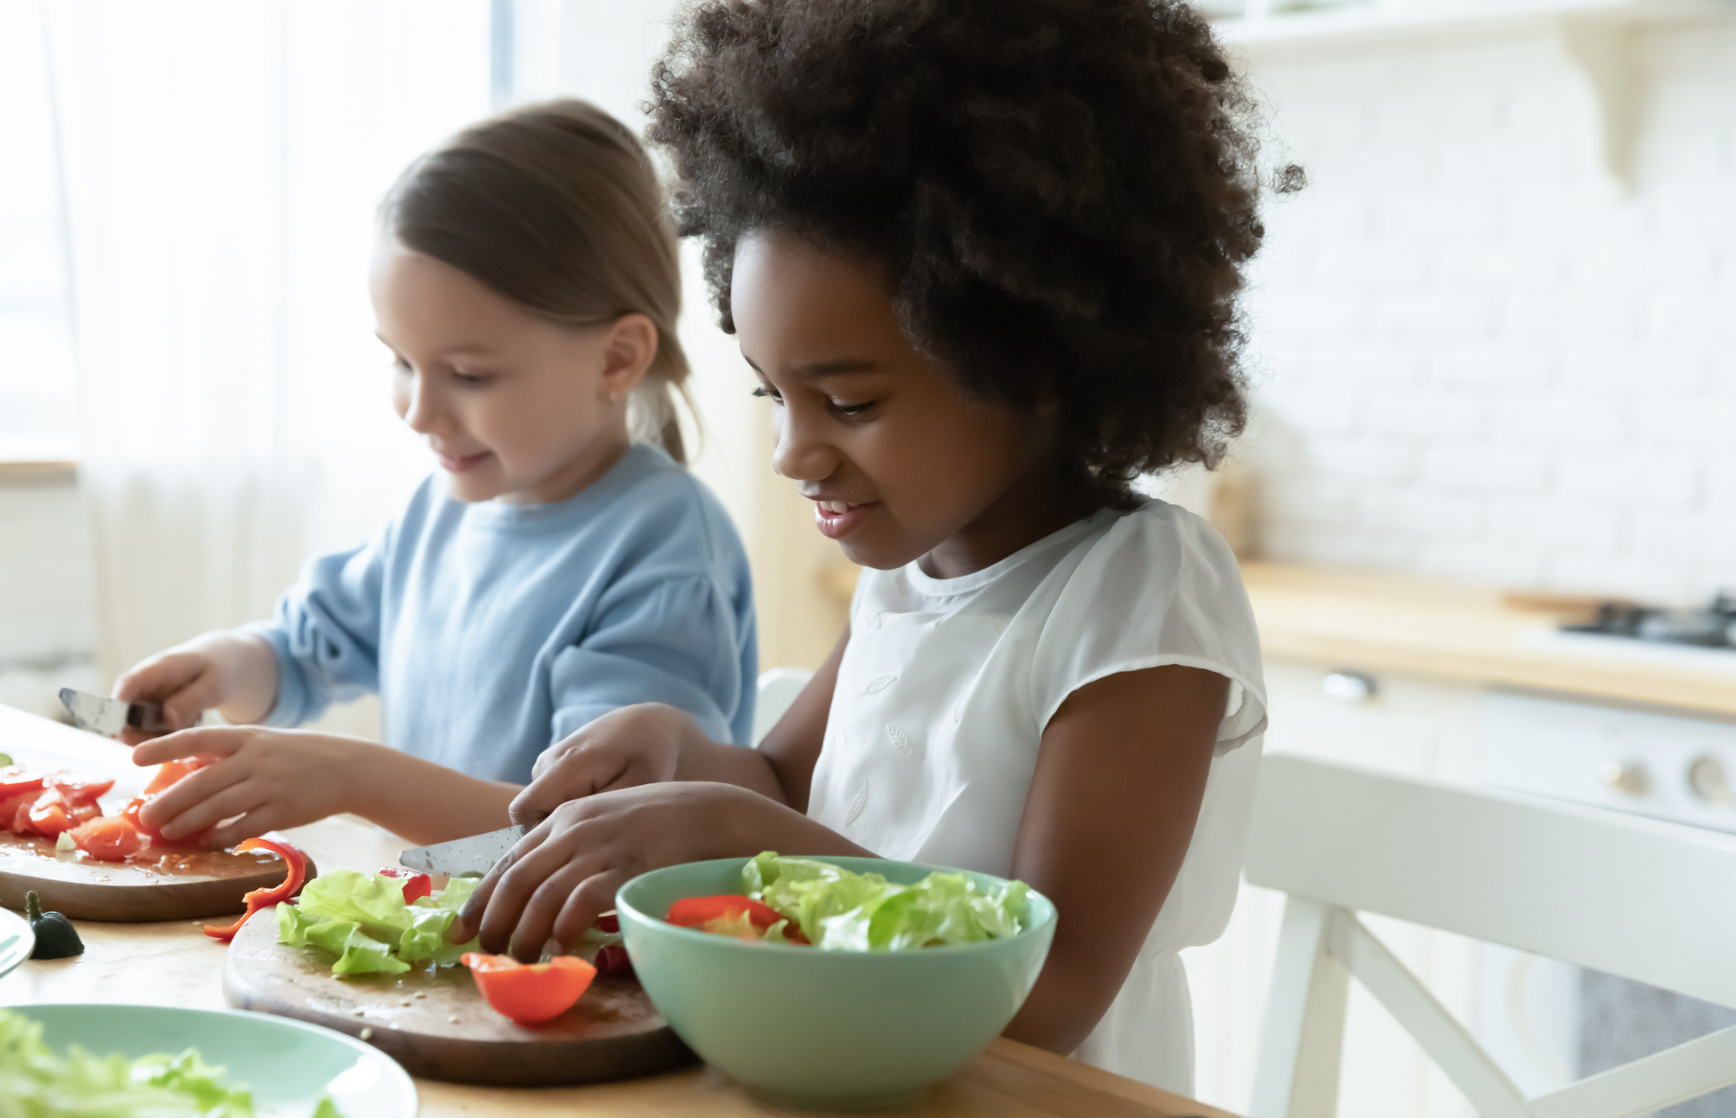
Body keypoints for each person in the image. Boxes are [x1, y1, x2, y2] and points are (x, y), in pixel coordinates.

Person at [453, 0, 1283, 1096]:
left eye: (846, 399)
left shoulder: (1136, 589)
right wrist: (680, 753)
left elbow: (1051, 990)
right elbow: (781, 780)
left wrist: (739, 828)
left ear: (1035, 360)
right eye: (773, 393)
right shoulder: (907, 575)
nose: (797, 451)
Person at [114, 100, 757, 850]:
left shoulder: (661, 546)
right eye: (401, 361)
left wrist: (352, 777)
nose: (419, 412)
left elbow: (597, 835)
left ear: (616, 359)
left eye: (468, 374)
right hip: (435, 941)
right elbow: (305, 648)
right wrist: (221, 667)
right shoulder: (439, 510)